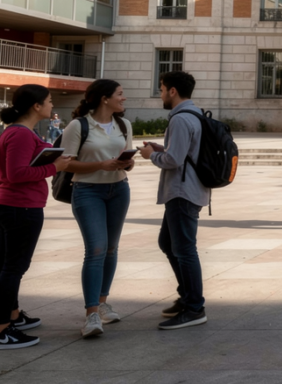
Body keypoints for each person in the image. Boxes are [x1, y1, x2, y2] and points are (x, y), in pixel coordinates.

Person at [0, 85, 72, 349]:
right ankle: (2, 328)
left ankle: (12, 316)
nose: (52, 106)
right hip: (21, 207)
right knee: (13, 268)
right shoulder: (20, 135)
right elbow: (16, 174)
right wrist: (54, 167)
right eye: (50, 102)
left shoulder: (21, 132)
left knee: (9, 266)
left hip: (17, 206)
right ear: (36, 106)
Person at [63, 80, 135, 338]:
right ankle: (91, 314)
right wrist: (100, 165)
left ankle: (103, 303)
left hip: (119, 190)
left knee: (111, 248)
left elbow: (129, 162)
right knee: (95, 249)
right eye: (120, 94)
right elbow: (66, 165)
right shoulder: (78, 125)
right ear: (104, 98)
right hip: (87, 192)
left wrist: (125, 164)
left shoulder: (124, 125)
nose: (123, 99)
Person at [139, 71, 210, 330]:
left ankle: (194, 307)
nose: (160, 94)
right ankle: (187, 297)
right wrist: (161, 149)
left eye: (161, 89)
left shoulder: (180, 119)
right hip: (189, 189)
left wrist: (150, 156)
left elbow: (174, 160)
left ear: (172, 91)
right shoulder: (196, 114)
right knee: (168, 243)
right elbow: (183, 153)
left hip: (182, 191)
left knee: (184, 249)